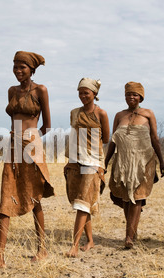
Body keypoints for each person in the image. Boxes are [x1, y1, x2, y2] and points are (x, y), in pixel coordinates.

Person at [0, 51, 55, 271]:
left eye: (22, 67)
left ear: (31, 69)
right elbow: (14, 118)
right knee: (6, 195)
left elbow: (47, 125)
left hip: (31, 145)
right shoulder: (12, 91)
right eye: (15, 67)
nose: (18, 71)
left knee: (35, 197)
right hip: (12, 144)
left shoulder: (40, 90)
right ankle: (0, 258)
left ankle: (42, 249)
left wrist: (31, 140)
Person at [105, 81, 164, 249]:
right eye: (128, 94)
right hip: (122, 162)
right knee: (126, 197)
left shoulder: (148, 114)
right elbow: (113, 141)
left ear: (141, 97)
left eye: (135, 95)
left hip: (144, 162)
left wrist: (161, 161)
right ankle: (132, 231)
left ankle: (129, 237)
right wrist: (106, 161)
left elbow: (155, 139)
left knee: (137, 197)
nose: (131, 97)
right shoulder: (119, 115)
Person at [64, 78, 109, 257]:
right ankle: (90, 240)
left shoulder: (101, 114)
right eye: (80, 93)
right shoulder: (74, 113)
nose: (83, 96)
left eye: (86, 93)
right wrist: (69, 161)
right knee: (83, 201)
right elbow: (73, 136)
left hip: (94, 161)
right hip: (76, 160)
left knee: (82, 202)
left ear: (94, 94)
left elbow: (105, 138)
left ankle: (74, 245)